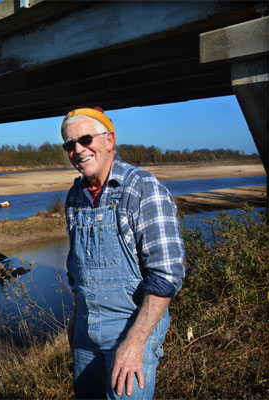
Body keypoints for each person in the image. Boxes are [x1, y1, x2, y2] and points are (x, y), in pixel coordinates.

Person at [61, 107, 185, 399]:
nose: (79, 150)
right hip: (85, 336)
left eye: (86, 139)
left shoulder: (142, 187)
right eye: (70, 144)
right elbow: (77, 272)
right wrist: (76, 324)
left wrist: (134, 344)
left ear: (109, 140)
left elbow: (166, 276)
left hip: (130, 332)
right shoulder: (75, 196)